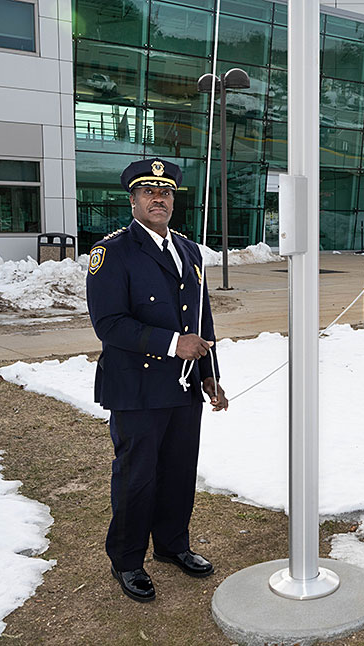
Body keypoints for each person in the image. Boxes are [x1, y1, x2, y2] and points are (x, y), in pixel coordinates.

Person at [86, 157, 229, 603]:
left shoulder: (188, 250)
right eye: (148, 192)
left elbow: (200, 317)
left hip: (184, 386)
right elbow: (108, 324)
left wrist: (210, 374)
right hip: (137, 387)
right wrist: (172, 343)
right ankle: (127, 560)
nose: (159, 199)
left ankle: (172, 546)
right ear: (132, 200)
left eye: (165, 192)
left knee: (178, 472)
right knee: (137, 477)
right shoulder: (111, 252)